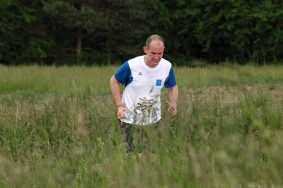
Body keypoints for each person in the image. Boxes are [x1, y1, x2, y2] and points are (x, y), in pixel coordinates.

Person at [110, 34, 178, 153]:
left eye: (160, 54)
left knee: (152, 156)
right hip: (129, 120)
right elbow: (114, 81)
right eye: (153, 53)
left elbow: (172, 87)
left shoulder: (167, 66)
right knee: (129, 156)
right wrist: (119, 106)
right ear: (145, 49)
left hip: (153, 120)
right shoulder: (131, 65)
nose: (156, 57)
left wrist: (173, 103)